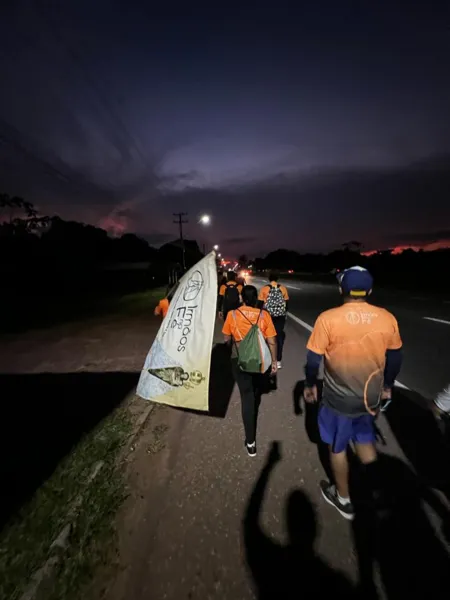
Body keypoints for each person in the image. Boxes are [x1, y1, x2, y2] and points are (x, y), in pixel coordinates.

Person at [303, 266, 403, 519]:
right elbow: (395, 358)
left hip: (338, 398)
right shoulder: (387, 317)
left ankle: (344, 499)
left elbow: (313, 359)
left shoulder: (328, 318)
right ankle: (375, 494)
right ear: (369, 290)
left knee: (338, 447)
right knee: (364, 439)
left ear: (341, 290)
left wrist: (310, 383)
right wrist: (388, 386)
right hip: (370, 397)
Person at [223, 285, 277, 456]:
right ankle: (255, 395)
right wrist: (274, 362)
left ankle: (251, 442)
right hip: (259, 360)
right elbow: (272, 341)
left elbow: (226, 339)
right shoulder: (264, 315)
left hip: (239, 360)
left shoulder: (232, 315)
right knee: (255, 389)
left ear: (242, 298)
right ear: (256, 299)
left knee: (247, 396)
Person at [258, 271, 289, 369]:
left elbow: (259, 304)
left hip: (268, 316)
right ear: (277, 278)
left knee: (267, 337)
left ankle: (268, 358)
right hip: (280, 316)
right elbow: (286, 303)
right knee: (279, 337)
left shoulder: (264, 289)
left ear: (269, 279)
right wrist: (284, 313)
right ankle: (278, 361)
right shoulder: (283, 288)